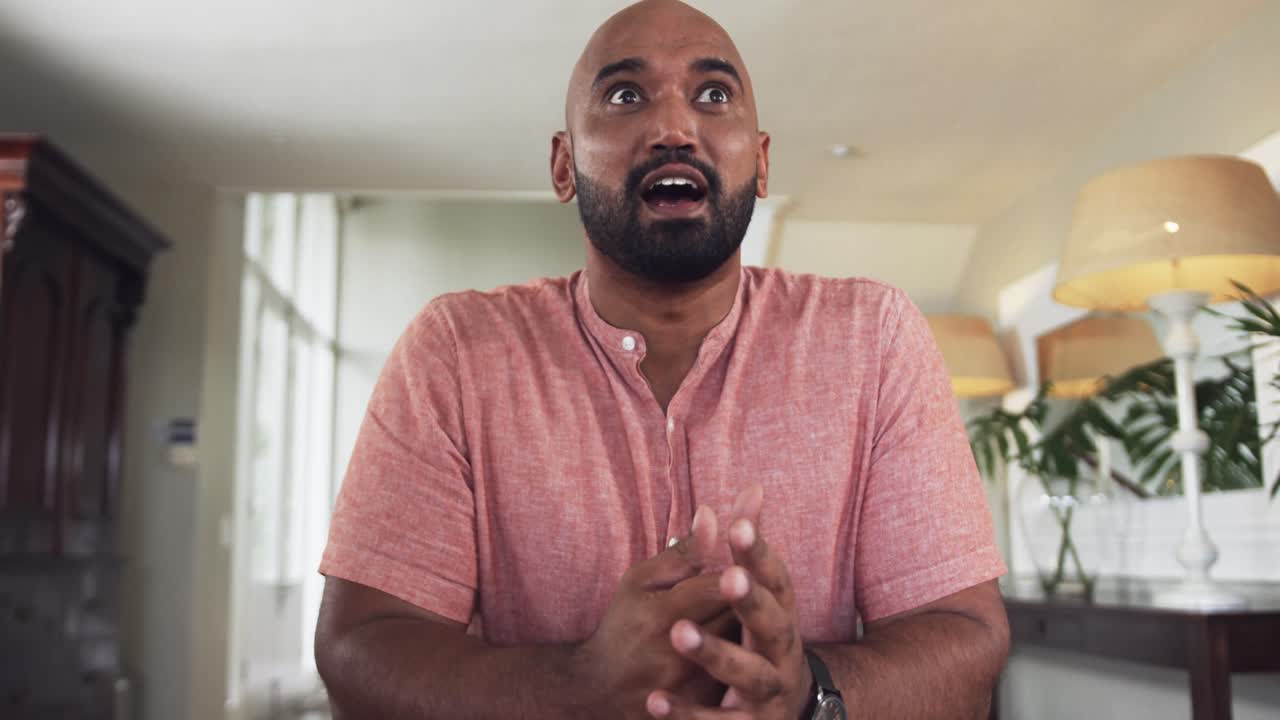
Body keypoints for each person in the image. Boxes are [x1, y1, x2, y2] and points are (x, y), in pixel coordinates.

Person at [313, 1, 1010, 717]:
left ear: (761, 162)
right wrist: (576, 686)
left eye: (713, 95)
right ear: (563, 165)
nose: (674, 128)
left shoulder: (876, 339)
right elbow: (358, 650)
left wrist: (808, 694)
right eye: (624, 96)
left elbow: (968, 641)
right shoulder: (456, 351)